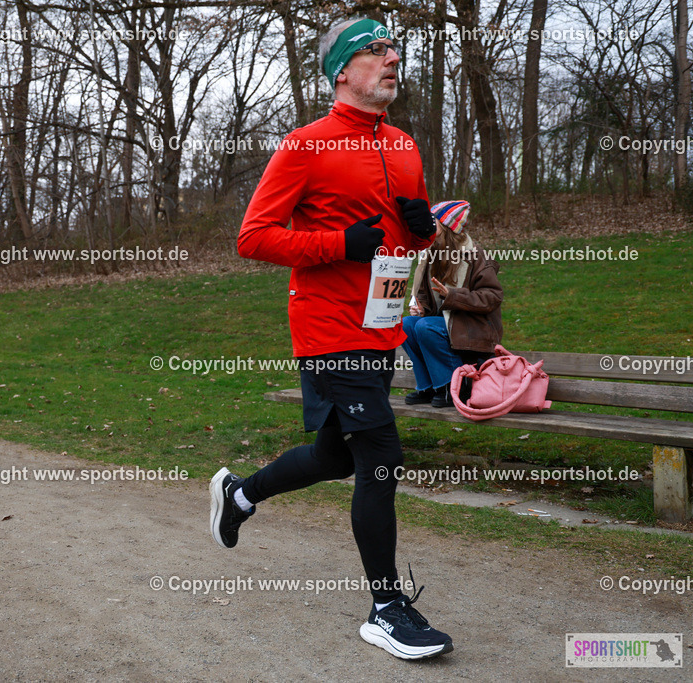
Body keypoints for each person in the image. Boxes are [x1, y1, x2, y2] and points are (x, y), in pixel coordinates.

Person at [209, 17, 454, 661]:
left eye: (394, 50)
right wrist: (337, 244)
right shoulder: (305, 145)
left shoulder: (403, 145)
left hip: (382, 323)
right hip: (326, 324)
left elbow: (417, 235)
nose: (392, 59)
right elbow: (253, 236)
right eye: (375, 51)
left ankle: (241, 492)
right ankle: (387, 606)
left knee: (340, 456)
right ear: (342, 71)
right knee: (379, 455)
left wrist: (422, 228)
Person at [402, 201, 503, 407]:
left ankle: (453, 386)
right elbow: (427, 297)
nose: (428, 227)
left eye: (433, 223)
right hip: (448, 324)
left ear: (448, 227)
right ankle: (429, 386)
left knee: (425, 326)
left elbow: (492, 297)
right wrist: (421, 307)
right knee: (407, 325)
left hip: (473, 328)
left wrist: (453, 295)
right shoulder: (431, 255)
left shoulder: (476, 256)